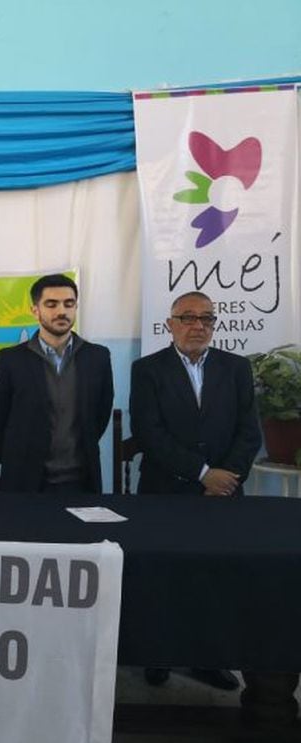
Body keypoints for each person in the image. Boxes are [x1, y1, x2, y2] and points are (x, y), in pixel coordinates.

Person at [130, 290, 261, 692]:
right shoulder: (147, 369)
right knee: (161, 577)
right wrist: (203, 473)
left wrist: (226, 478)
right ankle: (157, 654)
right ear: (169, 324)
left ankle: (208, 658)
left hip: (223, 496)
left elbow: (249, 431)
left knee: (214, 580)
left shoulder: (236, 368)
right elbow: (149, 433)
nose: (197, 325)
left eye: (206, 318)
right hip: (164, 492)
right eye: (187, 317)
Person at [0, 274, 113, 493]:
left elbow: (101, 413)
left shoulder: (97, 357)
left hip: (82, 480)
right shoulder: (11, 359)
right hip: (24, 481)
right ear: (35, 310)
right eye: (51, 304)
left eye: (69, 303)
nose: (61, 311)